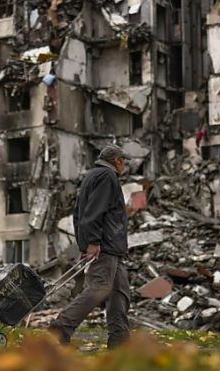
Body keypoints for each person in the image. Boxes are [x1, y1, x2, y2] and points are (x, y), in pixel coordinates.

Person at [49, 145, 131, 348]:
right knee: (99, 288)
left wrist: (85, 243)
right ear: (117, 161)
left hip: (111, 248)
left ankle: (120, 342)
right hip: (105, 246)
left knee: (119, 293)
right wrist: (93, 243)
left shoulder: (92, 176)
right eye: (123, 161)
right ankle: (60, 328)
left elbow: (79, 214)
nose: (124, 165)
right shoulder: (107, 177)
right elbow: (94, 213)